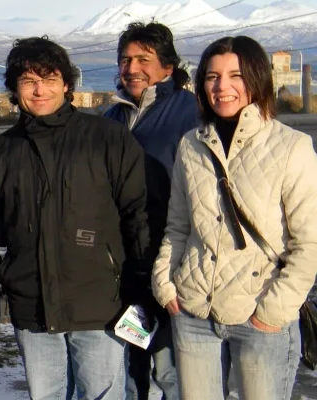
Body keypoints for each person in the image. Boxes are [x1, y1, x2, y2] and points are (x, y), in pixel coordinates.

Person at [0, 36, 150, 399]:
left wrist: (140, 287)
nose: (39, 90)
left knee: (102, 394)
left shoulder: (106, 138)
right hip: (31, 304)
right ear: (15, 89)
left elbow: (136, 215)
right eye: (29, 81)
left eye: (49, 80)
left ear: (66, 84)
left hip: (100, 303)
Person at [152, 35, 317, 400]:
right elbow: (178, 225)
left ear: (258, 79)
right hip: (194, 310)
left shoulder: (292, 147)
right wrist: (165, 284)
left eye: (235, 75)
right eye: (212, 76)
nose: (222, 87)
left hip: (260, 309)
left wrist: (272, 311)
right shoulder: (191, 145)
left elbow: (308, 244)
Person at [104, 21, 199, 400]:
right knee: (131, 368)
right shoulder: (111, 117)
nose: (132, 68)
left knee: (174, 373)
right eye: (125, 60)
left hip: (172, 262)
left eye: (144, 59)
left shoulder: (190, 113)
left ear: (168, 67)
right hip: (123, 264)